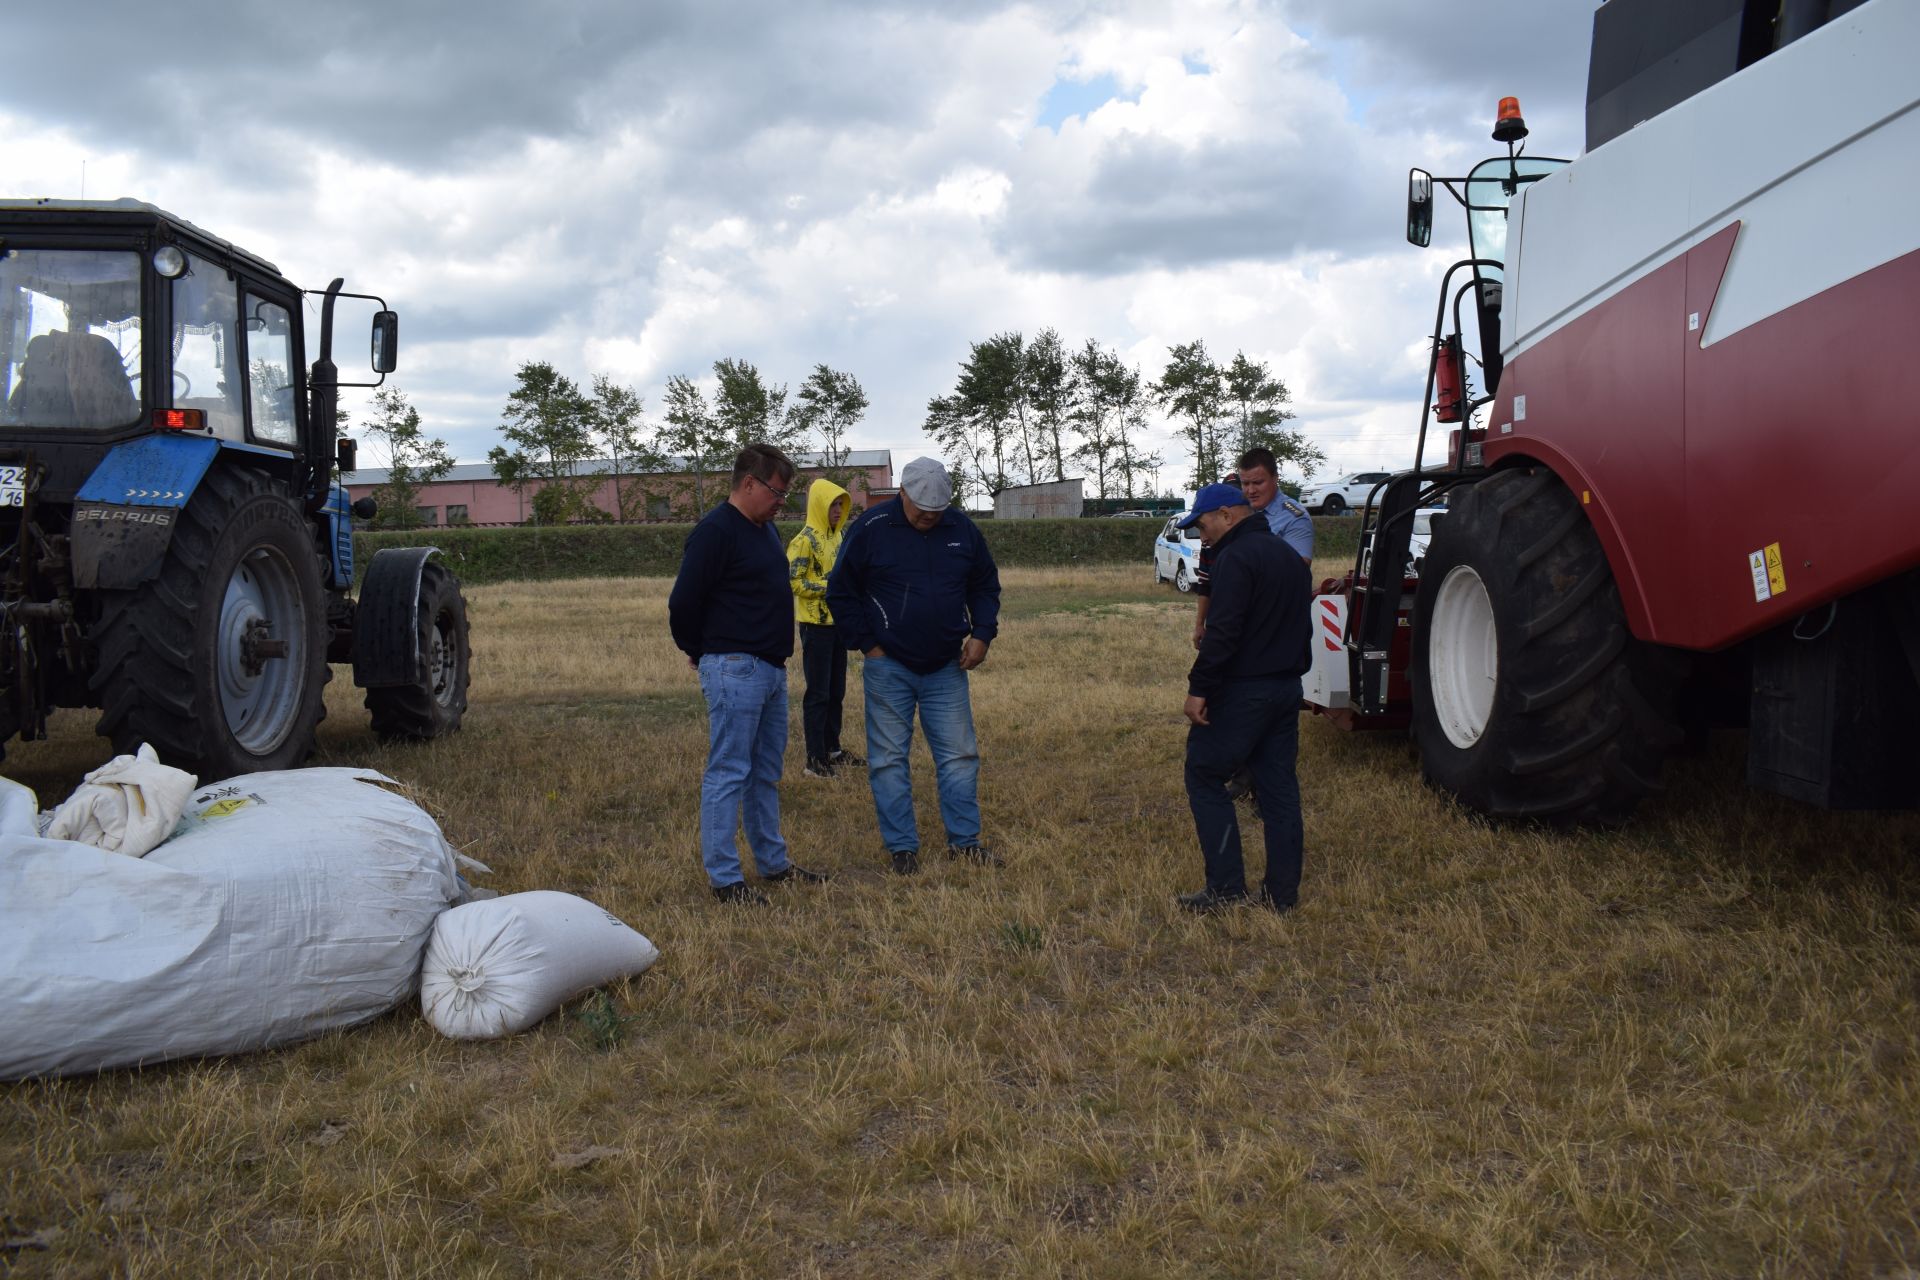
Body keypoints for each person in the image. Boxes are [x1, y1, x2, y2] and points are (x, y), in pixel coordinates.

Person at [668, 444, 829, 904]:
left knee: (764, 773)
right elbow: (683, 602)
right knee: (729, 772)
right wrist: (699, 650)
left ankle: (773, 864)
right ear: (749, 484)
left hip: (771, 671)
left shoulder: (764, 530)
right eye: (778, 493)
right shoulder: (715, 532)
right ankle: (725, 880)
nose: (783, 502)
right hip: (735, 668)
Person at [826, 457, 1002, 876]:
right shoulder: (870, 529)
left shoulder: (962, 529)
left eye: (937, 510)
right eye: (921, 507)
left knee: (959, 756)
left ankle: (965, 843)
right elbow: (841, 591)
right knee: (888, 759)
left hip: (946, 666)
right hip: (889, 667)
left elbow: (984, 585)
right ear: (901, 492)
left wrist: (982, 633)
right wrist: (868, 645)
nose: (928, 516)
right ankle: (902, 849)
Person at [1175, 482, 1313, 914]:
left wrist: (1199, 689)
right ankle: (1281, 896)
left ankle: (1226, 888)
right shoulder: (1289, 558)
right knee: (1279, 790)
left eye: (1203, 524)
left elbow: (1223, 632)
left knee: (1204, 774)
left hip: (1245, 690)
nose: (1202, 535)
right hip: (1287, 687)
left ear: (1228, 516)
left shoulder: (1234, 558)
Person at [787, 477, 862, 779]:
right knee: (818, 693)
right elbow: (793, 581)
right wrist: (830, 587)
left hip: (838, 625)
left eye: (841, 504)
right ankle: (814, 760)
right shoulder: (804, 539)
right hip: (815, 626)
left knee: (836, 691)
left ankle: (833, 750)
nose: (837, 509)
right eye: (832, 504)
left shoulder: (840, 536)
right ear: (819, 504)